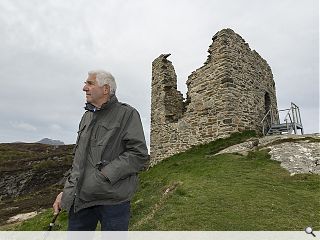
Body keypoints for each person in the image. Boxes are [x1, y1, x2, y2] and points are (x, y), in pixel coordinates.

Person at [53, 70, 149, 231]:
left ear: (105, 89)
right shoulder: (86, 117)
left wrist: (104, 175)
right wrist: (66, 192)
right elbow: (79, 161)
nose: (84, 88)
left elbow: (138, 154)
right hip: (81, 201)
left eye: (90, 83)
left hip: (113, 200)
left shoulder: (127, 114)